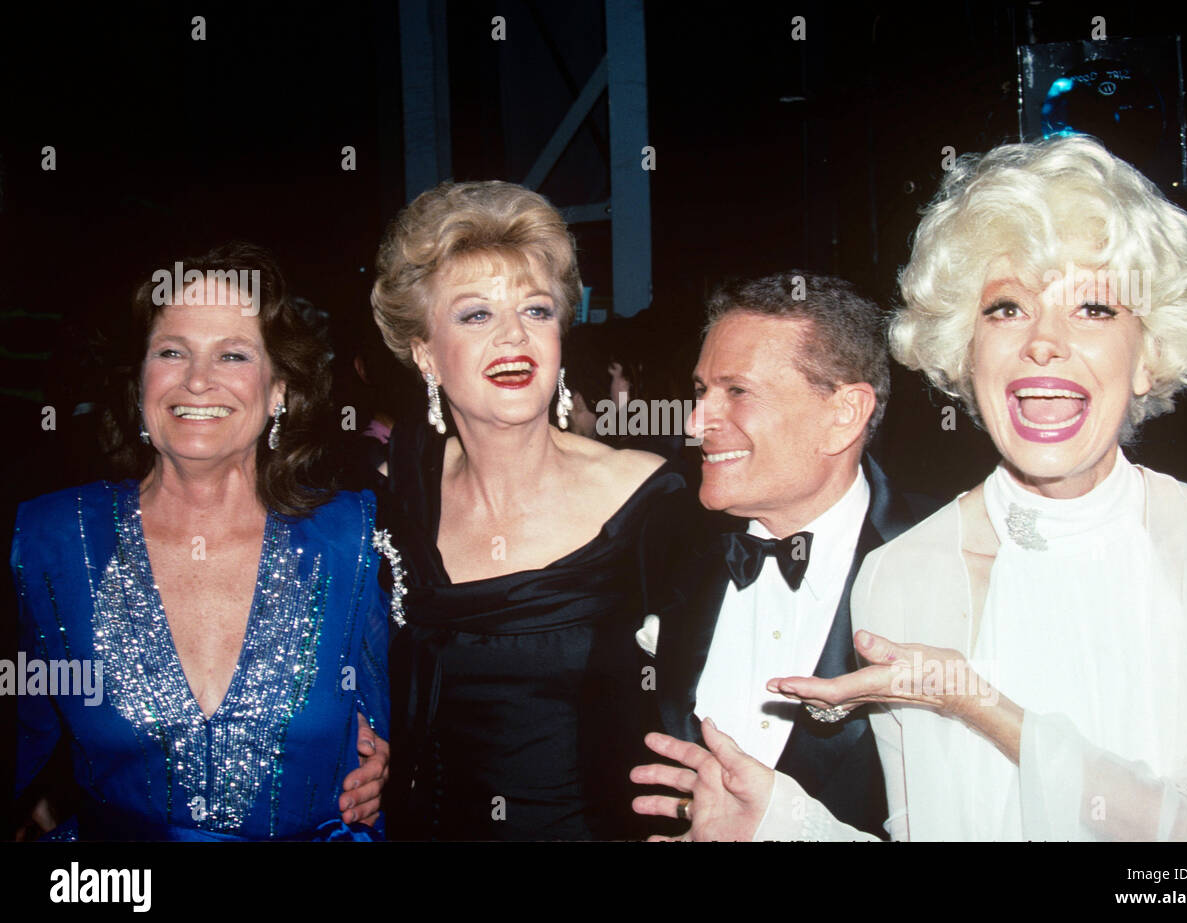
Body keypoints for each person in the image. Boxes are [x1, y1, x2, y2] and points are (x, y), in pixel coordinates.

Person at [634, 135, 1187, 841]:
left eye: (1095, 309)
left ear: (1150, 356)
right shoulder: (897, 575)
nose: (1044, 341)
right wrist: (781, 823)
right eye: (1006, 308)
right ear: (966, 353)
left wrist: (978, 704)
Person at [12, 243, 390, 840]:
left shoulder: (351, 537)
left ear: (279, 392)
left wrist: (384, 758)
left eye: (233, 355)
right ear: (139, 381)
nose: (197, 380)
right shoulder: (49, 538)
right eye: (171, 352)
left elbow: (392, 714)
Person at [370, 180, 690, 840]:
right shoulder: (393, 496)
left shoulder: (651, 502)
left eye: (536, 311)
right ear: (426, 355)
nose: (513, 336)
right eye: (475, 315)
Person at [635, 273, 936, 838]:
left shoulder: (944, 560)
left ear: (843, 414)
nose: (695, 424)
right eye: (701, 391)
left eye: (737, 391)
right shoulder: (667, 545)